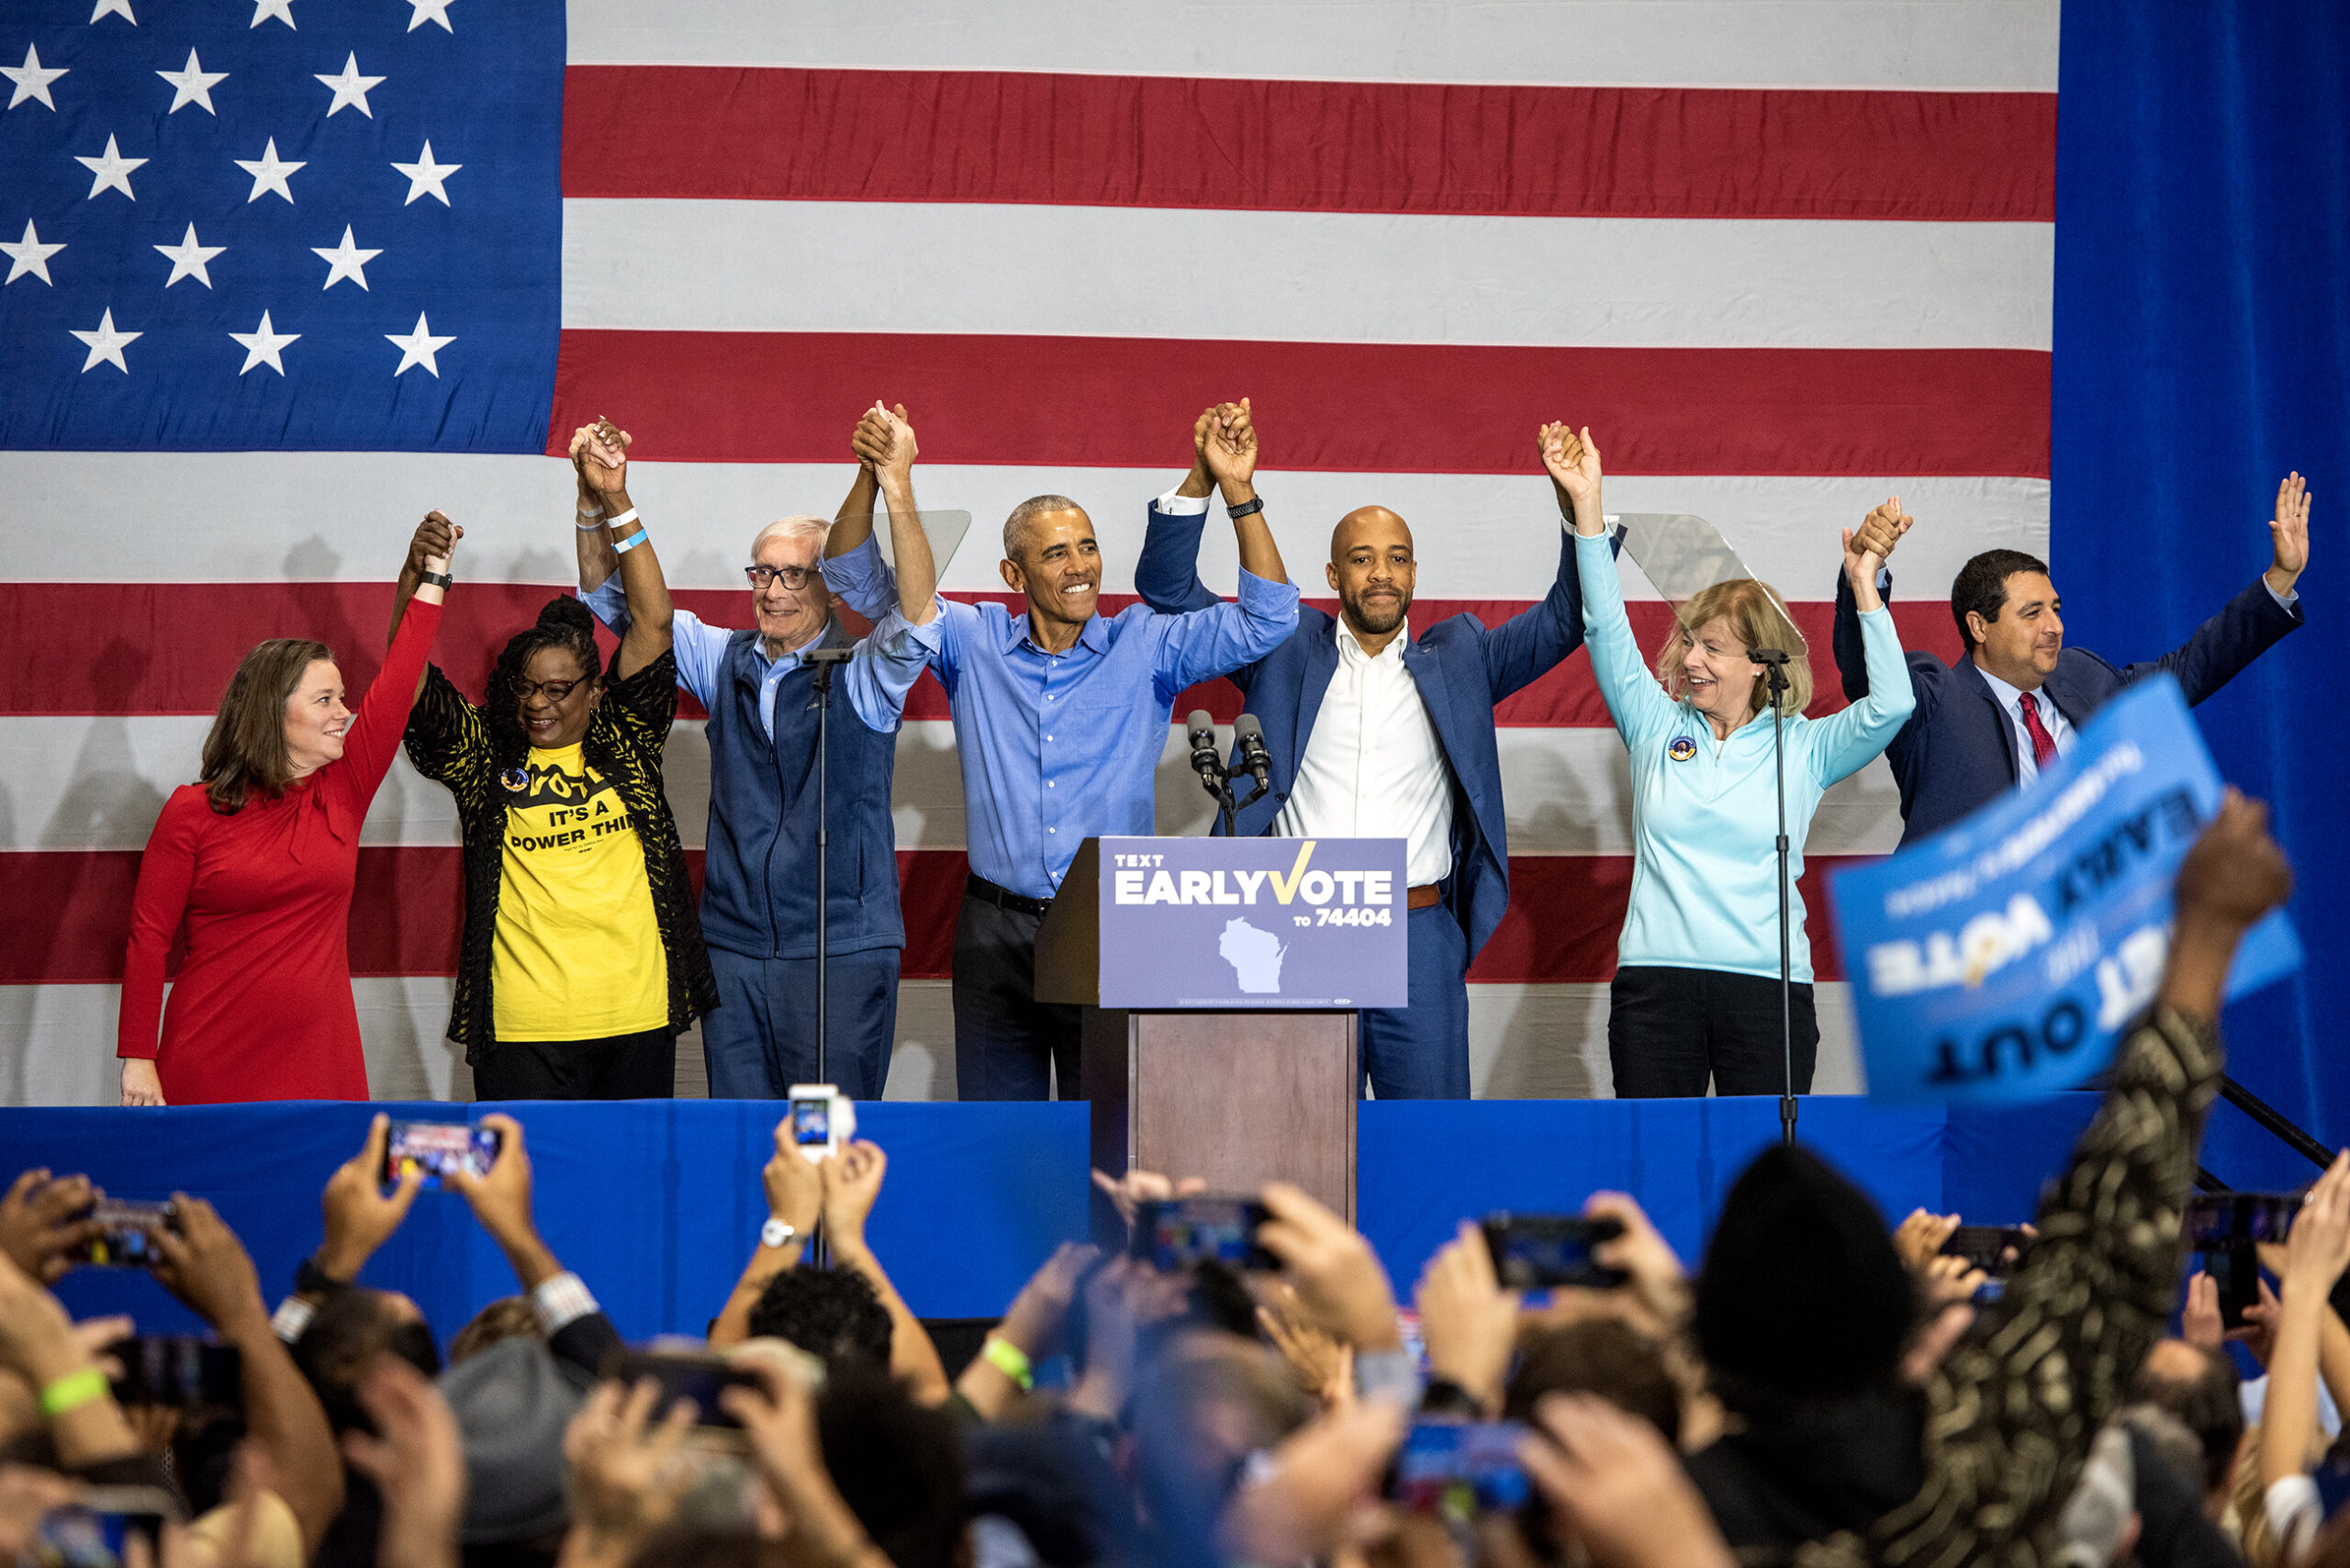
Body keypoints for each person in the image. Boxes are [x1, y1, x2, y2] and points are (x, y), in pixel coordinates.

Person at [824, 404, 1299, 1101]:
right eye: (1055, 553)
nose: (1080, 568)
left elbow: (1270, 616)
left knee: (1106, 1138)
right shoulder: (972, 639)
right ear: (1013, 575)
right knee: (997, 1138)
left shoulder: (1146, 644)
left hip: (1112, 926)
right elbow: (850, 575)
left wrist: (1237, 490)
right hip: (994, 930)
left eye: (1087, 547)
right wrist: (882, 478)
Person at [1134, 400, 1600, 1099]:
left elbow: (1569, 615)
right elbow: (1167, 590)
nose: (1381, 574)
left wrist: (1580, 505)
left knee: (1431, 1143)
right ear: (1332, 573)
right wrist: (1207, 479)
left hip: (1414, 931)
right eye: (1361, 559)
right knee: (1300, 1141)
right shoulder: (1282, 647)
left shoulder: (1462, 656)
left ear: (1415, 572)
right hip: (1291, 923)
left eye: (1396, 559)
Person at [573, 409, 941, 1101]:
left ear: (832, 584)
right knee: (744, 1142)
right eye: (762, 573)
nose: (771, 592)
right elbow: (614, 599)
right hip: (734, 947)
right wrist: (598, 498)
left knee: (829, 1150)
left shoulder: (865, 671)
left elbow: (919, 615)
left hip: (840, 949)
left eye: (794, 576)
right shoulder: (722, 658)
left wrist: (895, 485)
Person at [1550, 423, 1915, 1097]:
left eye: (1713, 647)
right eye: (1689, 641)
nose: (1690, 659)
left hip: (1767, 991)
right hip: (1656, 989)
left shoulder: (1803, 747)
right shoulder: (1656, 724)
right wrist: (1587, 506)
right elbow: (1603, 623)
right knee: (1657, 1168)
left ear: (1761, 662)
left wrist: (1865, 582)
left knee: (1763, 1180)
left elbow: (1891, 705)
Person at [116, 518, 455, 1105]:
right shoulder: (191, 811)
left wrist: (435, 578)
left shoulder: (344, 790)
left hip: (320, 1063)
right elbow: (148, 939)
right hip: (205, 1056)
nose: (344, 712)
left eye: (343, 698)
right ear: (274, 713)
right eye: (325, 699)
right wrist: (139, 1060)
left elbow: (400, 679)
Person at [400, 489, 715, 1101]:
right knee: (521, 1191)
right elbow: (406, 677)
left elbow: (652, 623)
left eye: (557, 689)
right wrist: (419, 575)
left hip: (637, 1015)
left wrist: (618, 500)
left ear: (596, 693)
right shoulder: (484, 755)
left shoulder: (626, 737)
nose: (537, 703)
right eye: (526, 688)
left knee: (628, 1189)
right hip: (522, 1028)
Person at [1831, 473, 2310, 845]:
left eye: (2056, 610)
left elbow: (2189, 669)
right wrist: (1862, 580)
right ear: (1979, 626)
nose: (2054, 627)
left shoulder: (2083, 676)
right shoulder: (1935, 698)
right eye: (2032, 613)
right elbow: (1866, 677)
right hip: (1982, 942)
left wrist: (2279, 579)